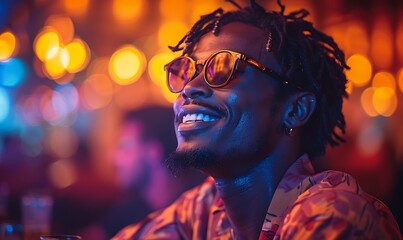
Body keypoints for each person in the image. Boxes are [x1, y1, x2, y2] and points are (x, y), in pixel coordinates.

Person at [113, 1, 402, 239]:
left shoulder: (332, 215)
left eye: (224, 67)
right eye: (188, 71)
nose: (190, 86)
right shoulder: (205, 208)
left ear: (295, 110)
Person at [80, 106, 205, 239]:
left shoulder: (198, 206)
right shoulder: (130, 209)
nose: (113, 157)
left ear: (153, 151)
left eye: (124, 147)